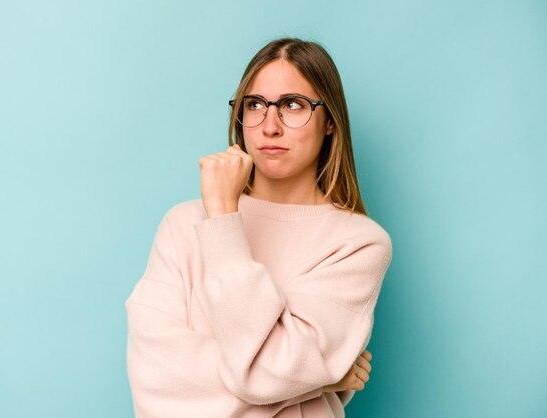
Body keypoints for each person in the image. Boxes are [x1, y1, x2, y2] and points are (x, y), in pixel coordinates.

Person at [125, 37, 393, 418]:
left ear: (330, 120)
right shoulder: (182, 225)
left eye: (293, 105)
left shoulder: (357, 244)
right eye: (255, 105)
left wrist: (222, 220)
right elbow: (157, 384)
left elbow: (267, 374)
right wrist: (315, 378)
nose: (270, 127)